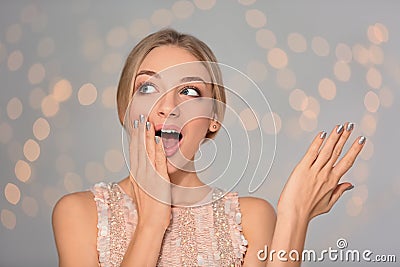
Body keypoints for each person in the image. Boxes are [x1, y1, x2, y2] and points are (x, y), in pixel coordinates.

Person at [52, 28, 365, 267]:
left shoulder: (251, 218)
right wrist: (152, 220)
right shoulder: (79, 213)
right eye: (147, 87)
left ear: (213, 117)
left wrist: (294, 215)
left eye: (188, 91)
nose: (167, 107)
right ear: (125, 109)